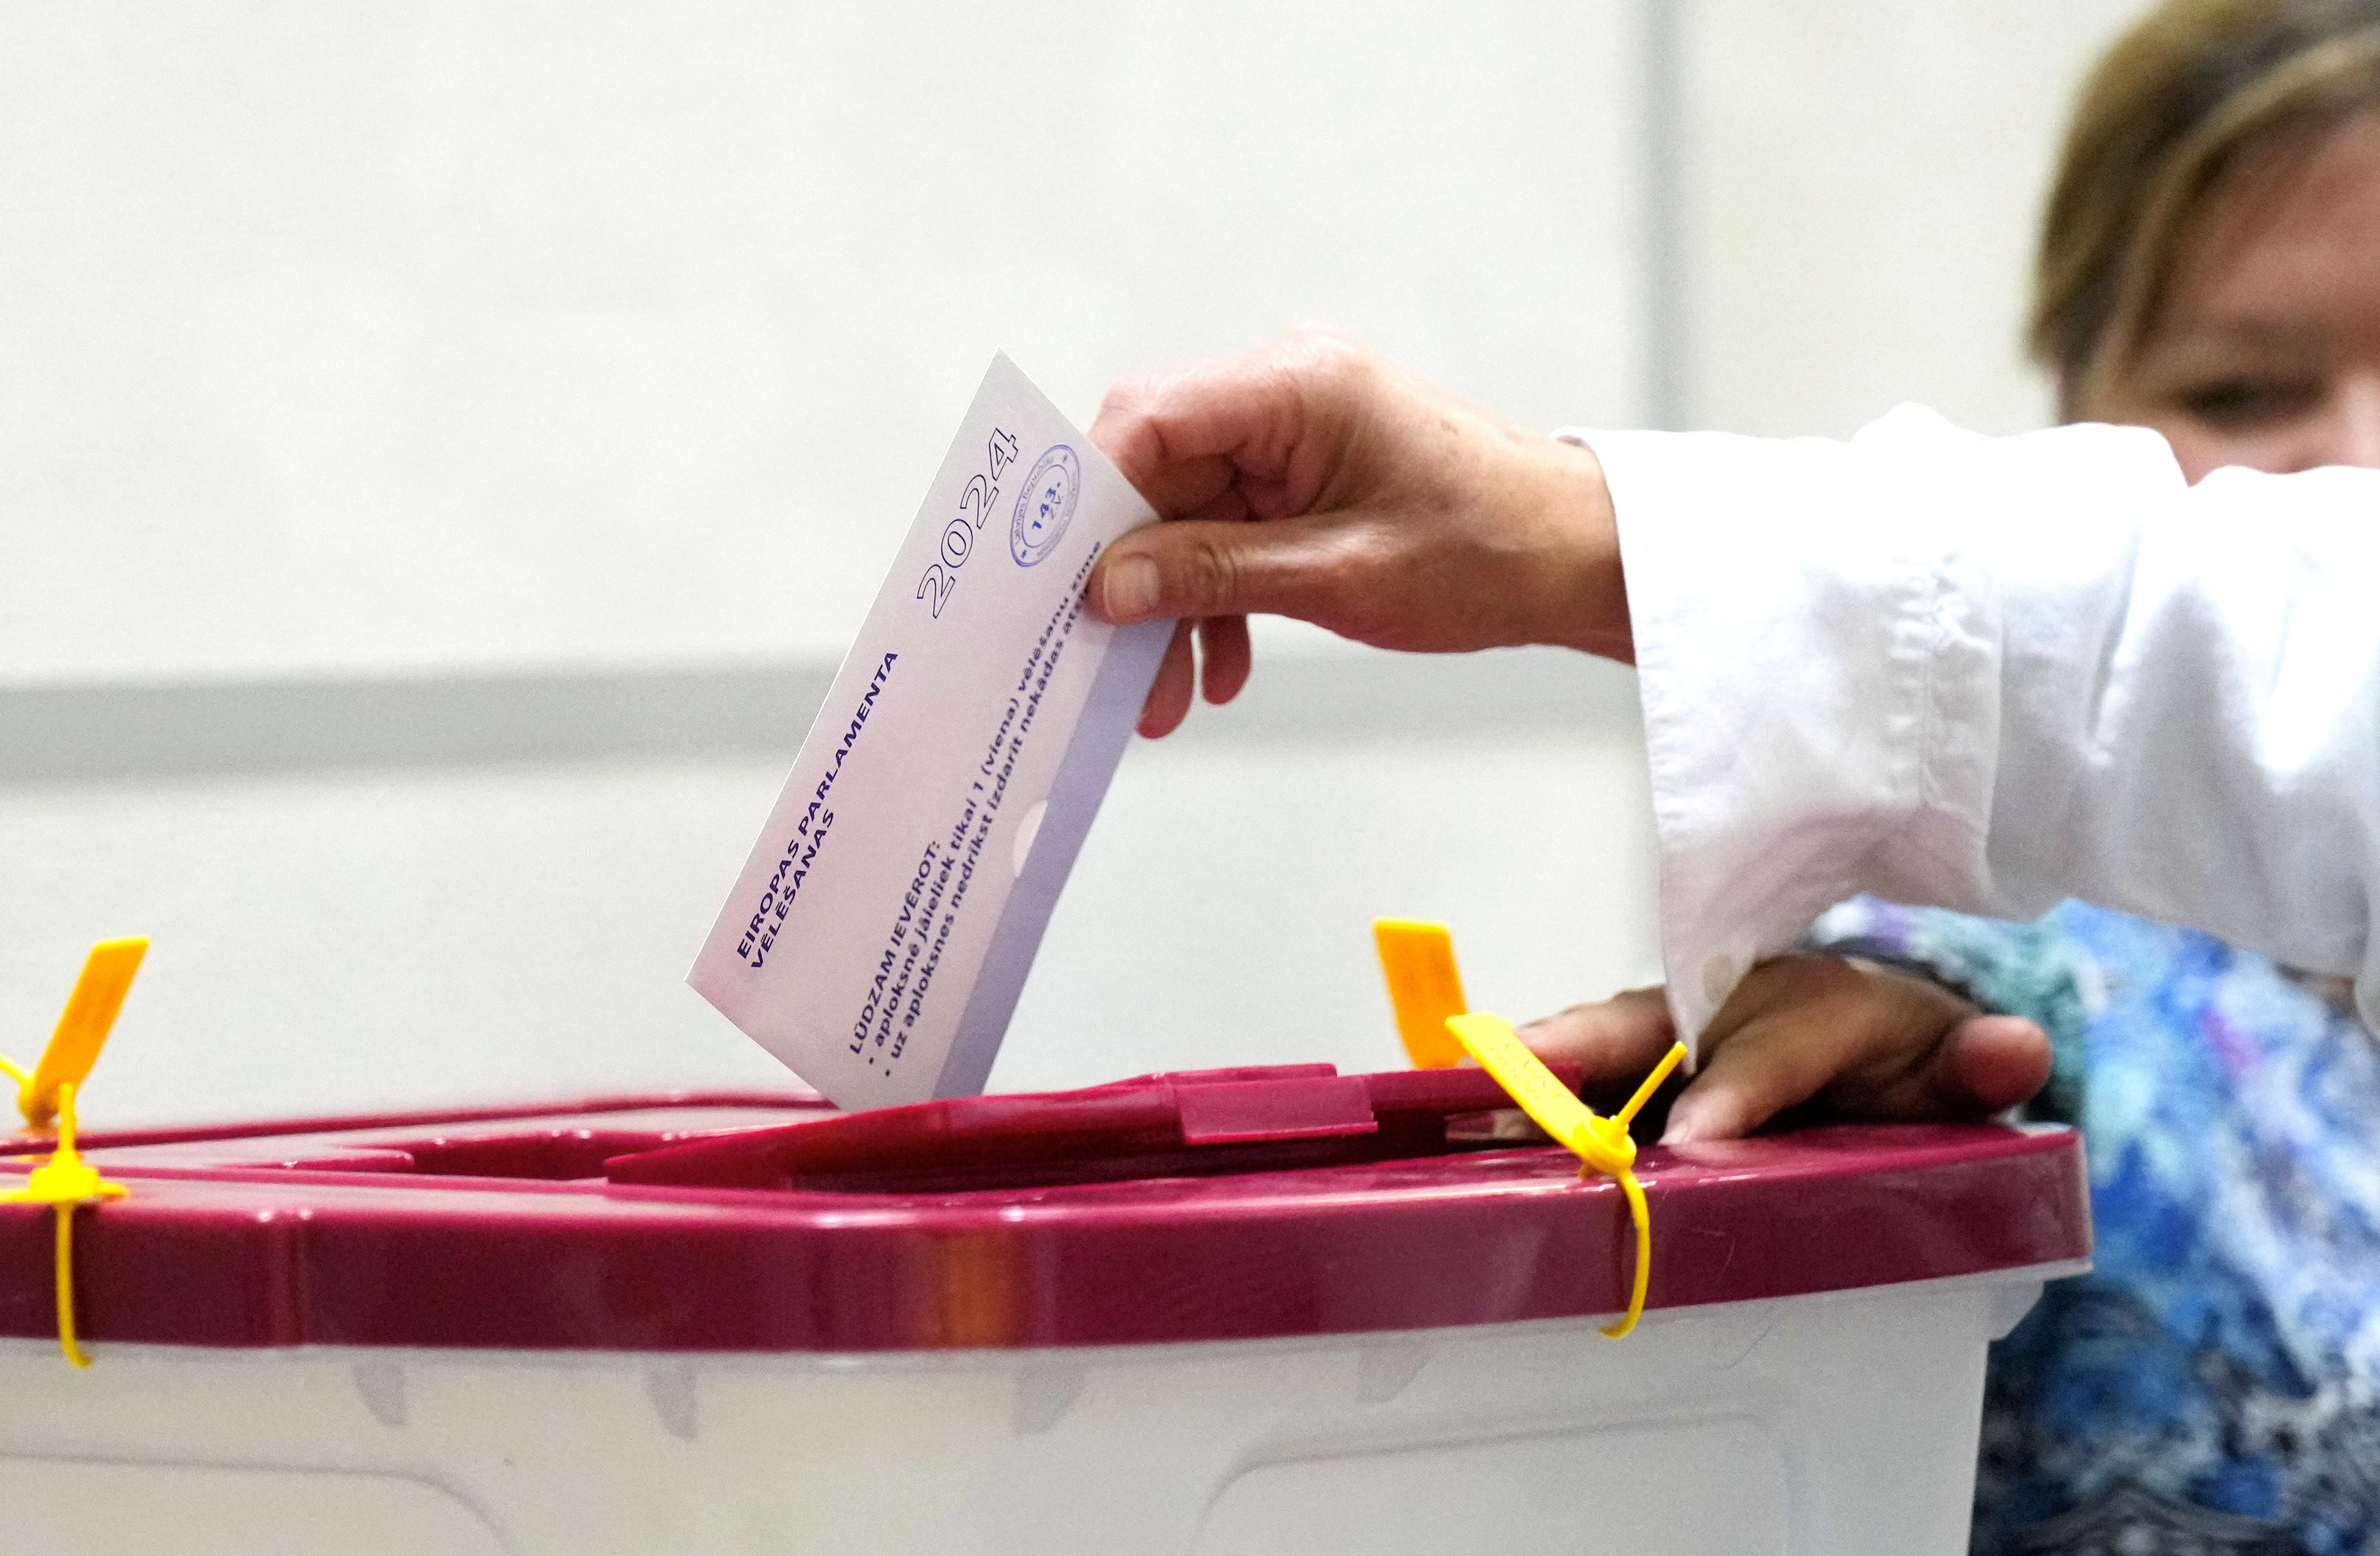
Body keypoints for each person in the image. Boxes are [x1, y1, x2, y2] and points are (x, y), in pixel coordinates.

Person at [1082, 1, 2380, 1546]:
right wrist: (1891, 1054)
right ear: (2078, 429)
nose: (2351, 462)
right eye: (2238, 393)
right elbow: (1976, 991)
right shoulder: (2008, 1002)